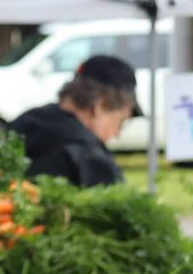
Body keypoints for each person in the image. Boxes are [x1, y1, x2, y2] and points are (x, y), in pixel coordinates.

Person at [10, 55, 141, 187]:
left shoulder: (25, 122)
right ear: (101, 105)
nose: (117, 134)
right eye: (121, 122)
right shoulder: (91, 160)